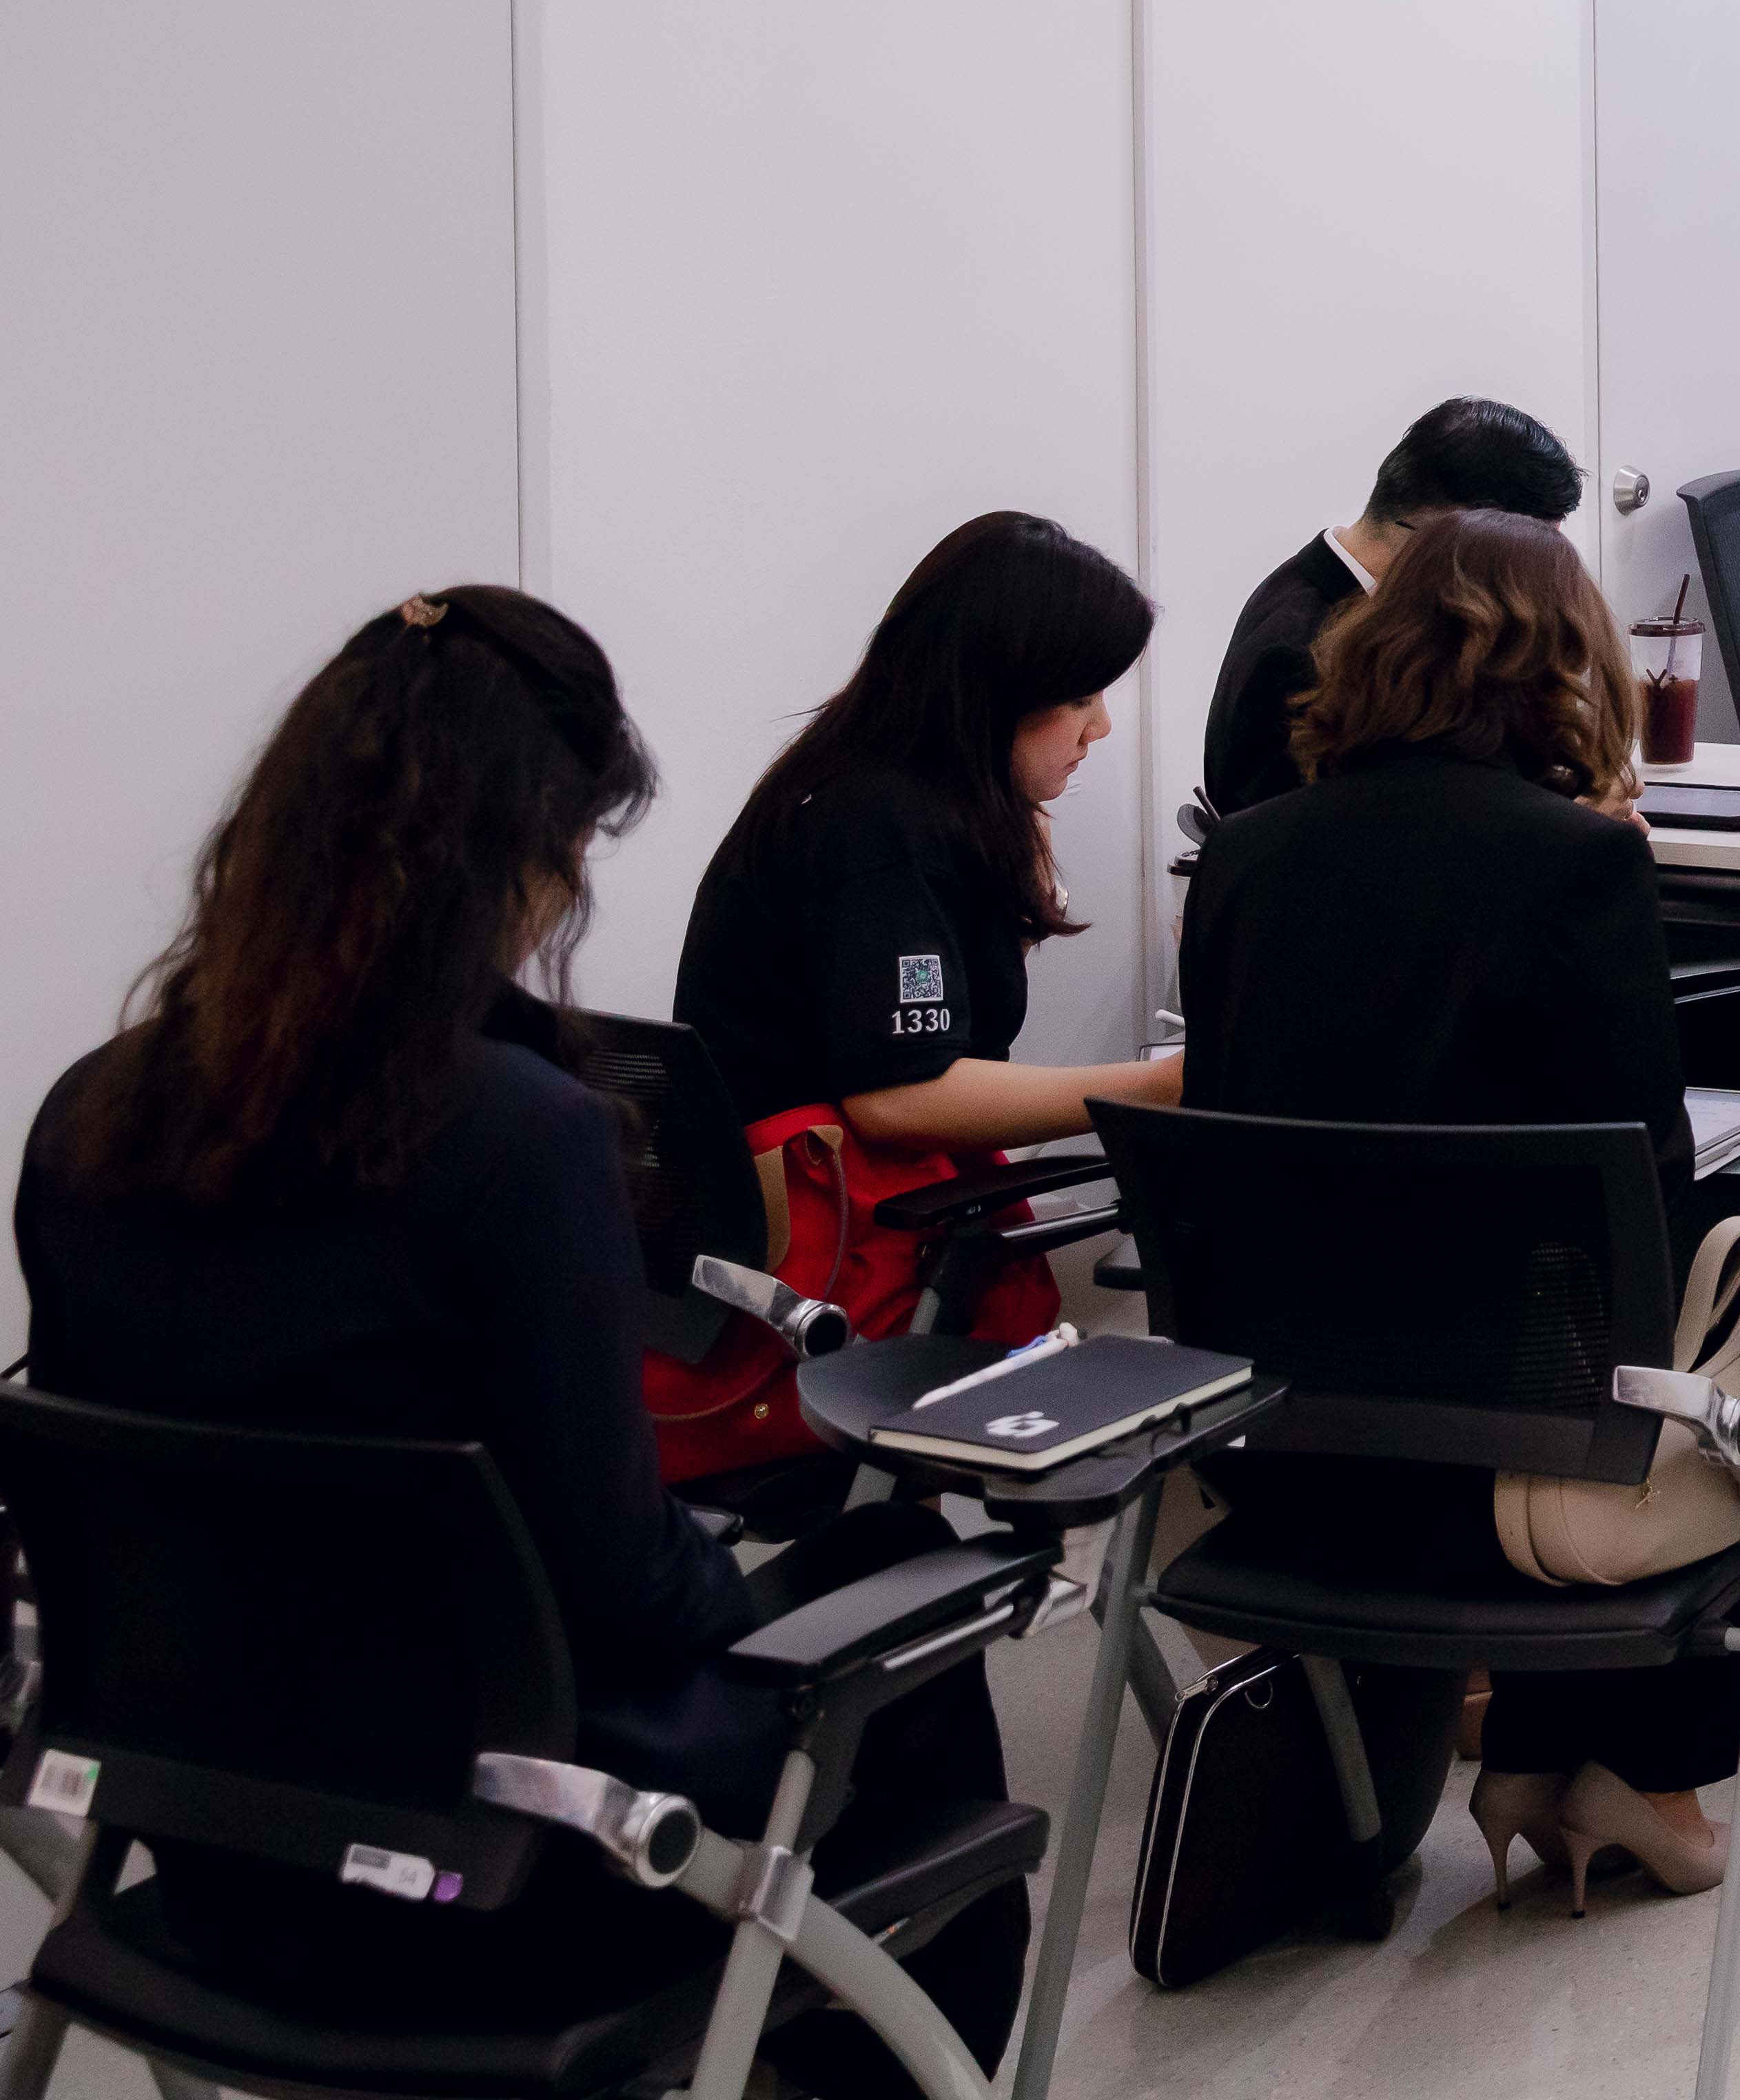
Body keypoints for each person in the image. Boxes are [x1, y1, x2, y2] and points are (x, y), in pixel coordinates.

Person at [17, 589, 1026, 2095]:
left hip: (214, 1865)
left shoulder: (87, 1117)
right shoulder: (521, 1138)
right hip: (510, 1886)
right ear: (519, 857)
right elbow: (623, 1589)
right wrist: (746, 1595)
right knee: (904, 1592)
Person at [1178, 509, 1740, 1908]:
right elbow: (1647, 1186)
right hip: (1508, 1459)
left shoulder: (1241, 856)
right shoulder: (1581, 864)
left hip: (1276, 1439)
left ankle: (1552, 1760)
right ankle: (1629, 1770)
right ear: (1568, 668)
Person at [677, 511, 1178, 1211]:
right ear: (999, 688)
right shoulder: (880, 823)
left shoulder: (873, 788)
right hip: (838, 1219)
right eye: (1080, 697)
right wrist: (1162, 1086)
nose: (1100, 726)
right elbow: (902, 1095)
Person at [1202, 394, 1586, 815]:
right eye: (1523, 560)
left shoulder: (1327, 591)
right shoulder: (1302, 650)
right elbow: (1339, 838)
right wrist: (1564, 822)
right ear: (1453, 536)